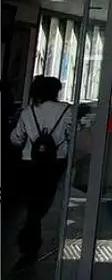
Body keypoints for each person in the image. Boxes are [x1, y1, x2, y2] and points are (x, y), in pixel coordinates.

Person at [9, 75, 72, 263]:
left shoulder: (28, 112)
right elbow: (72, 134)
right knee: (43, 201)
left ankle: (29, 242)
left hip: (30, 162)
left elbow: (16, 138)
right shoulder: (66, 110)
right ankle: (30, 238)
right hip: (55, 162)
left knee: (32, 203)